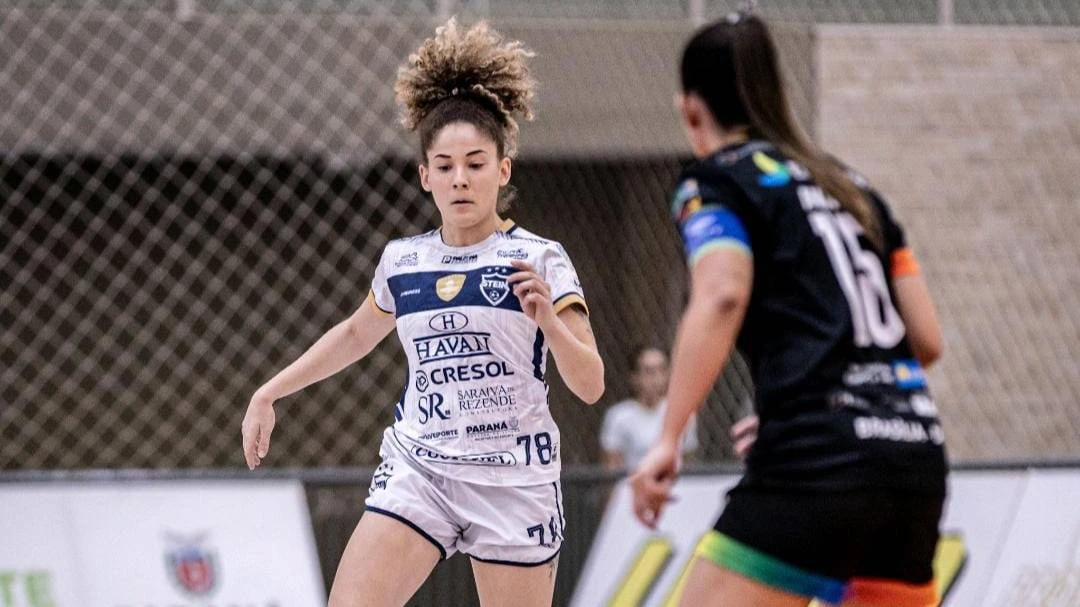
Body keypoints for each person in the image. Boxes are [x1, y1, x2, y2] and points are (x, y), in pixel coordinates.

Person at [240, 19, 604, 607]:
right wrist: (269, 392)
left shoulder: (540, 258)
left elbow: (591, 385)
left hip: (513, 479)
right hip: (421, 469)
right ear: (425, 175)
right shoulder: (403, 261)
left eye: (476, 163)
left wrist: (550, 323)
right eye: (445, 165)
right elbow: (355, 334)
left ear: (503, 170)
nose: (460, 179)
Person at [629, 12, 948, 607]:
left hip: (817, 464)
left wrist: (667, 437)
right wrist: (810, 400)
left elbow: (722, 293)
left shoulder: (717, 181)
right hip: (913, 459)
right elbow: (925, 339)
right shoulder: (852, 188)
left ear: (691, 111)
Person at [599, 345, 697, 471]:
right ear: (635, 377)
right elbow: (611, 466)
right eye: (649, 371)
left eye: (662, 370)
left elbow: (688, 462)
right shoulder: (619, 416)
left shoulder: (683, 412)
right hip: (633, 482)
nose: (657, 378)